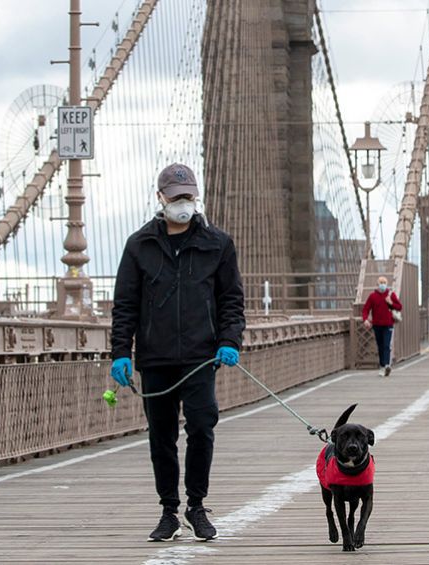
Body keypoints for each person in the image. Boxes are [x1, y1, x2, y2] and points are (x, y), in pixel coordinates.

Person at [110, 163, 245, 543]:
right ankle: (169, 510)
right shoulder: (139, 246)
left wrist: (229, 341)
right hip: (155, 358)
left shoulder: (218, 244)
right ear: (161, 199)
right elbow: (125, 305)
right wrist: (121, 352)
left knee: (202, 426)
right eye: (175, 197)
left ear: (195, 196)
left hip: (202, 357)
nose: (182, 203)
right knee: (161, 435)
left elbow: (232, 300)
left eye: (188, 196)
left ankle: (197, 505)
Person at [362, 275, 402, 377]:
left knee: (386, 345)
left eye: (384, 283)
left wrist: (391, 302)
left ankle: (387, 366)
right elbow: (366, 309)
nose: (383, 285)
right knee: (380, 346)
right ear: (377, 284)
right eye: (381, 283)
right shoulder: (372, 296)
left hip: (388, 324)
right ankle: (382, 366)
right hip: (377, 324)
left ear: (387, 284)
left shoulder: (390, 295)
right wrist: (365, 319)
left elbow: (399, 307)